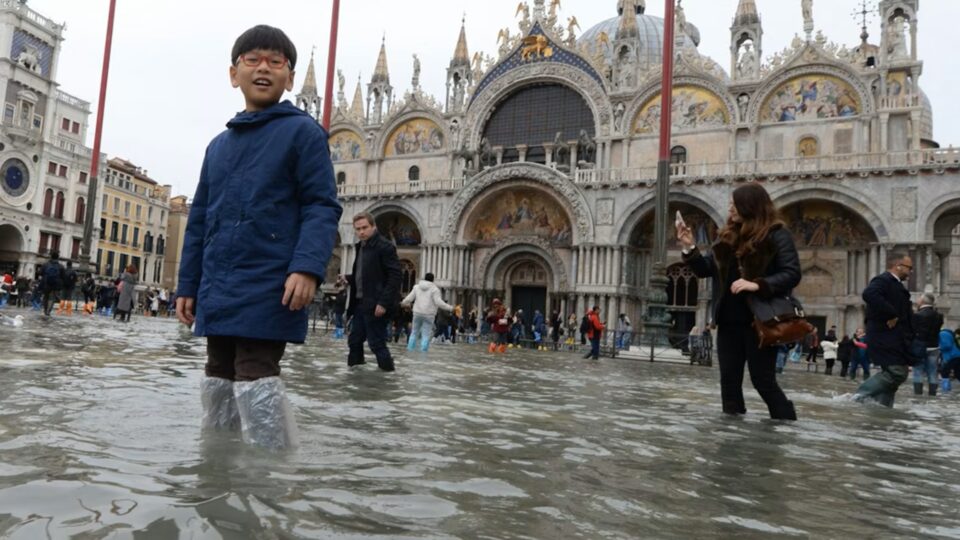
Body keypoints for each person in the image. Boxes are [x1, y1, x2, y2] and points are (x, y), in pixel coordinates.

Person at [176, 25, 342, 450]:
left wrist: (307, 267)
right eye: (252, 60)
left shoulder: (304, 133)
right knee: (217, 369)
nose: (263, 68)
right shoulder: (217, 146)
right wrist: (187, 285)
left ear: (289, 77)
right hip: (219, 280)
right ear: (234, 74)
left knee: (255, 368)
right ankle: (216, 462)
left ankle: (271, 475)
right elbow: (199, 220)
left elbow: (321, 206)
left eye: (276, 61)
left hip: (270, 279)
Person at [679, 183, 800, 420]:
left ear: (750, 205)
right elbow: (706, 270)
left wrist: (758, 284)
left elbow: (792, 272)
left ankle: (786, 425)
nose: (730, 208)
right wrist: (689, 247)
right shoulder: (727, 237)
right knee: (729, 383)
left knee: (762, 381)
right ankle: (732, 435)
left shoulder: (777, 234)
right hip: (728, 321)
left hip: (761, 320)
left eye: (734, 204)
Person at [339, 212, 401, 371]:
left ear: (374, 226)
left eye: (365, 227)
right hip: (361, 303)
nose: (361, 232)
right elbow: (366, 276)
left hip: (376, 304)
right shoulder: (361, 247)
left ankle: (388, 378)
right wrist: (348, 278)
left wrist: (383, 303)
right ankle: (354, 377)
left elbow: (395, 277)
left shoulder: (385, 246)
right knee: (354, 341)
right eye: (358, 229)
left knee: (376, 343)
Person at [852, 251, 914, 408]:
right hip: (884, 336)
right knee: (897, 372)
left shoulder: (895, 284)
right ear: (898, 266)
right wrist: (891, 313)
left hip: (894, 337)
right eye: (909, 268)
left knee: (895, 372)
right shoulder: (883, 279)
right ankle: (857, 397)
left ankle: (883, 408)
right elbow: (869, 293)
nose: (910, 272)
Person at [400, 272, 453, 352]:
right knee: (426, 335)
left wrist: (402, 303)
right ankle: (423, 353)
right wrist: (451, 308)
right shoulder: (435, 289)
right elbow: (439, 303)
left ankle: (410, 350)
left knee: (414, 333)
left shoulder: (416, 287)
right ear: (433, 280)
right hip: (429, 314)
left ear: (424, 278)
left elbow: (409, 298)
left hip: (417, 313)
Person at [911, 293, 943, 396]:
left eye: (919, 299)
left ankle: (918, 395)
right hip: (934, 346)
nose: (918, 301)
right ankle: (932, 394)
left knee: (918, 371)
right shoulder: (939, 316)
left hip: (920, 346)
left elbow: (913, 331)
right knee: (933, 372)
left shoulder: (917, 315)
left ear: (923, 301)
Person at [39, 251, 65, 317]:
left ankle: (45, 310)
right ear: (58, 257)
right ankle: (48, 311)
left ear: (51, 257)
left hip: (46, 283)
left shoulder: (46, 264)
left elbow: (40, 273)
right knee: (52, 298)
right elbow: (63, 276)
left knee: (46, 297)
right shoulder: (60, 266)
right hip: (55, 284)